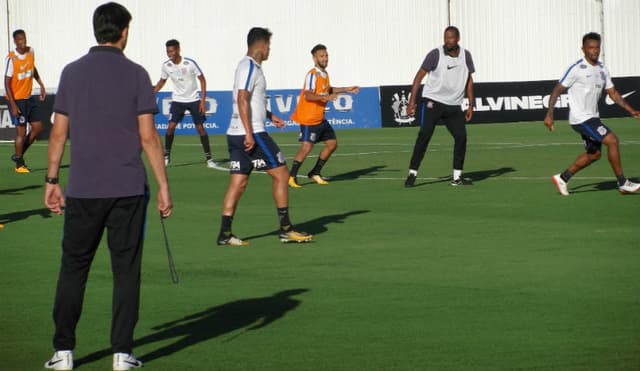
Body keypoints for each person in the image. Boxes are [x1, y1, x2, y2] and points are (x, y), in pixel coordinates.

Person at [43, 3, 173, 370]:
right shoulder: (136, 75)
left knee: (73, 269)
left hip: (83, 189)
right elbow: (148, 137)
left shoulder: (71, 73)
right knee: (126, 271)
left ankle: (63, 352)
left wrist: (52, 180)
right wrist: (163, 185)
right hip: (127, 189)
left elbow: (58, 132)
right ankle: (121, 354)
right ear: (124, 31)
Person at [217, 27, 312, 246]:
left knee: (238, 183)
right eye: (268, 45)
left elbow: (249, 101)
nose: (269, 49)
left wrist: (270, 115)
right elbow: (242, 97)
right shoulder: (250, 66)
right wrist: (250, 133)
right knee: (281, 174)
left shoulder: (245, 66)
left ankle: (225, 233)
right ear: (261, 45)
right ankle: (286, 229)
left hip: (235, 133)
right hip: (252, 133)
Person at [544, 32, 640, 195]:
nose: (594, 51)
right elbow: (557, 89)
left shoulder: (603, 69)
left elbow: (613, 93)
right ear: (583, 49)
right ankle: (623, 183)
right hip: (581, 119)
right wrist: (549, 114)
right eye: (591, 48)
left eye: (597, 48)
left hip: (593, 117)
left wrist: (631, 110)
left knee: (594, 155)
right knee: (612, 141)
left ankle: (563, 178)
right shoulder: (576, 69)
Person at [404, 26, 475, 187]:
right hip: (433, 101)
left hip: (454, 104)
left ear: (458, 38)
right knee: (425, 135)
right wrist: (411, 101)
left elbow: (469, 80)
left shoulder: (466, 56)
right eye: (445, 37)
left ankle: (457, 177)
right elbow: (418, 77)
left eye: (450, 38)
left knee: (461, 137)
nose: (447, 41)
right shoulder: (435, 54)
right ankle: (412, 173)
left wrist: (470, 104)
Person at [287, 44, 359, 188]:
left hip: (319, 118)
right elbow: (308, 95)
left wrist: (346, 89)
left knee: (332, 144)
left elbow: (329, 89)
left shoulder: (325, 74)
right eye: (322, 56)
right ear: (314, 58)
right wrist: (325, 98)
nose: (325, 58)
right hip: (308, 118)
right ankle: (291, 177)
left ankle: (315, 172)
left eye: (326, 56)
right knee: (306, 147)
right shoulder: (312, 74)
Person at [153, 39, 216, 168]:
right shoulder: (166, 65)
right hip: (177, 100)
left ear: (178, 50)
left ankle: (209, 159)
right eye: (167, 51)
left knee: (200, 128)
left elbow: (202, 80)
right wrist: (151, 92)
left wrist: (202, 101)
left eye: (171, 51)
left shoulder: (190, 64)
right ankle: (166, 156)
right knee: (170, 127)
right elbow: (161, 82)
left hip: (193, 100)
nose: (169, 54)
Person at [4, 29, 46, 173]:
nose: (23, 42)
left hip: (29, 97)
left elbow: (32, 68)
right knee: (21, 133)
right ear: (15, 42)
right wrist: (13, 105)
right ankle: (19, 165)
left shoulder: (30, 51)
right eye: (20, 40)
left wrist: (40, 83)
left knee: (38, 127)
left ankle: (18, 155)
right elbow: (6, 83)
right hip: (17, 100)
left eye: (24, 38)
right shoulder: (11, 59)